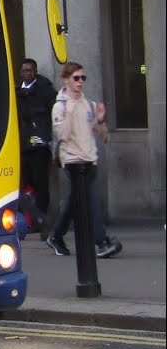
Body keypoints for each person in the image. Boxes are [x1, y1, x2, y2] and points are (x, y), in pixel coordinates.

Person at [46, 61, 123, 259]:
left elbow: (103, 136)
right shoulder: (60, 107)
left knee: (74, 202)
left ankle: (55, 236)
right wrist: (70, 113)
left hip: (90, 158)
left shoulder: (88, 104)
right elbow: (62, 135)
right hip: (73, 161)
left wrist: (100, 120)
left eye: (83, 78)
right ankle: (102, 242)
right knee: (91, 201)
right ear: (66, 80)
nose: (80, 82)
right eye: (76, 78)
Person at [18, 58, 58, 236]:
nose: (28, 73)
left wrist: (45, 134)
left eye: (31, 70)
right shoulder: (18, 91)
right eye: (25, 70)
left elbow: (54, 112)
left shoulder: (45, 90)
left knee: (40, 183)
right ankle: (30, 218)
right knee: (26, 183)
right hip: (24, 143)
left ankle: (41, 221)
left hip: (40, 144)